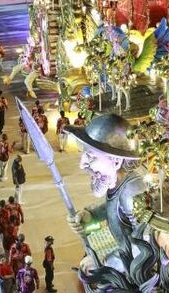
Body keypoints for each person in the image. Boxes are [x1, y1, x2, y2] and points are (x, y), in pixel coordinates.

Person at [65, 114, 146, 271]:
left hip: (132, 269)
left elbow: (146, 241)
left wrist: (105, 262)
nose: (83, 164)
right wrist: (92, 215)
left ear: (115, 161)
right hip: (121, 253)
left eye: (90, 156)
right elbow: (115, 206)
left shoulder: (131, 191)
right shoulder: (118, 182)